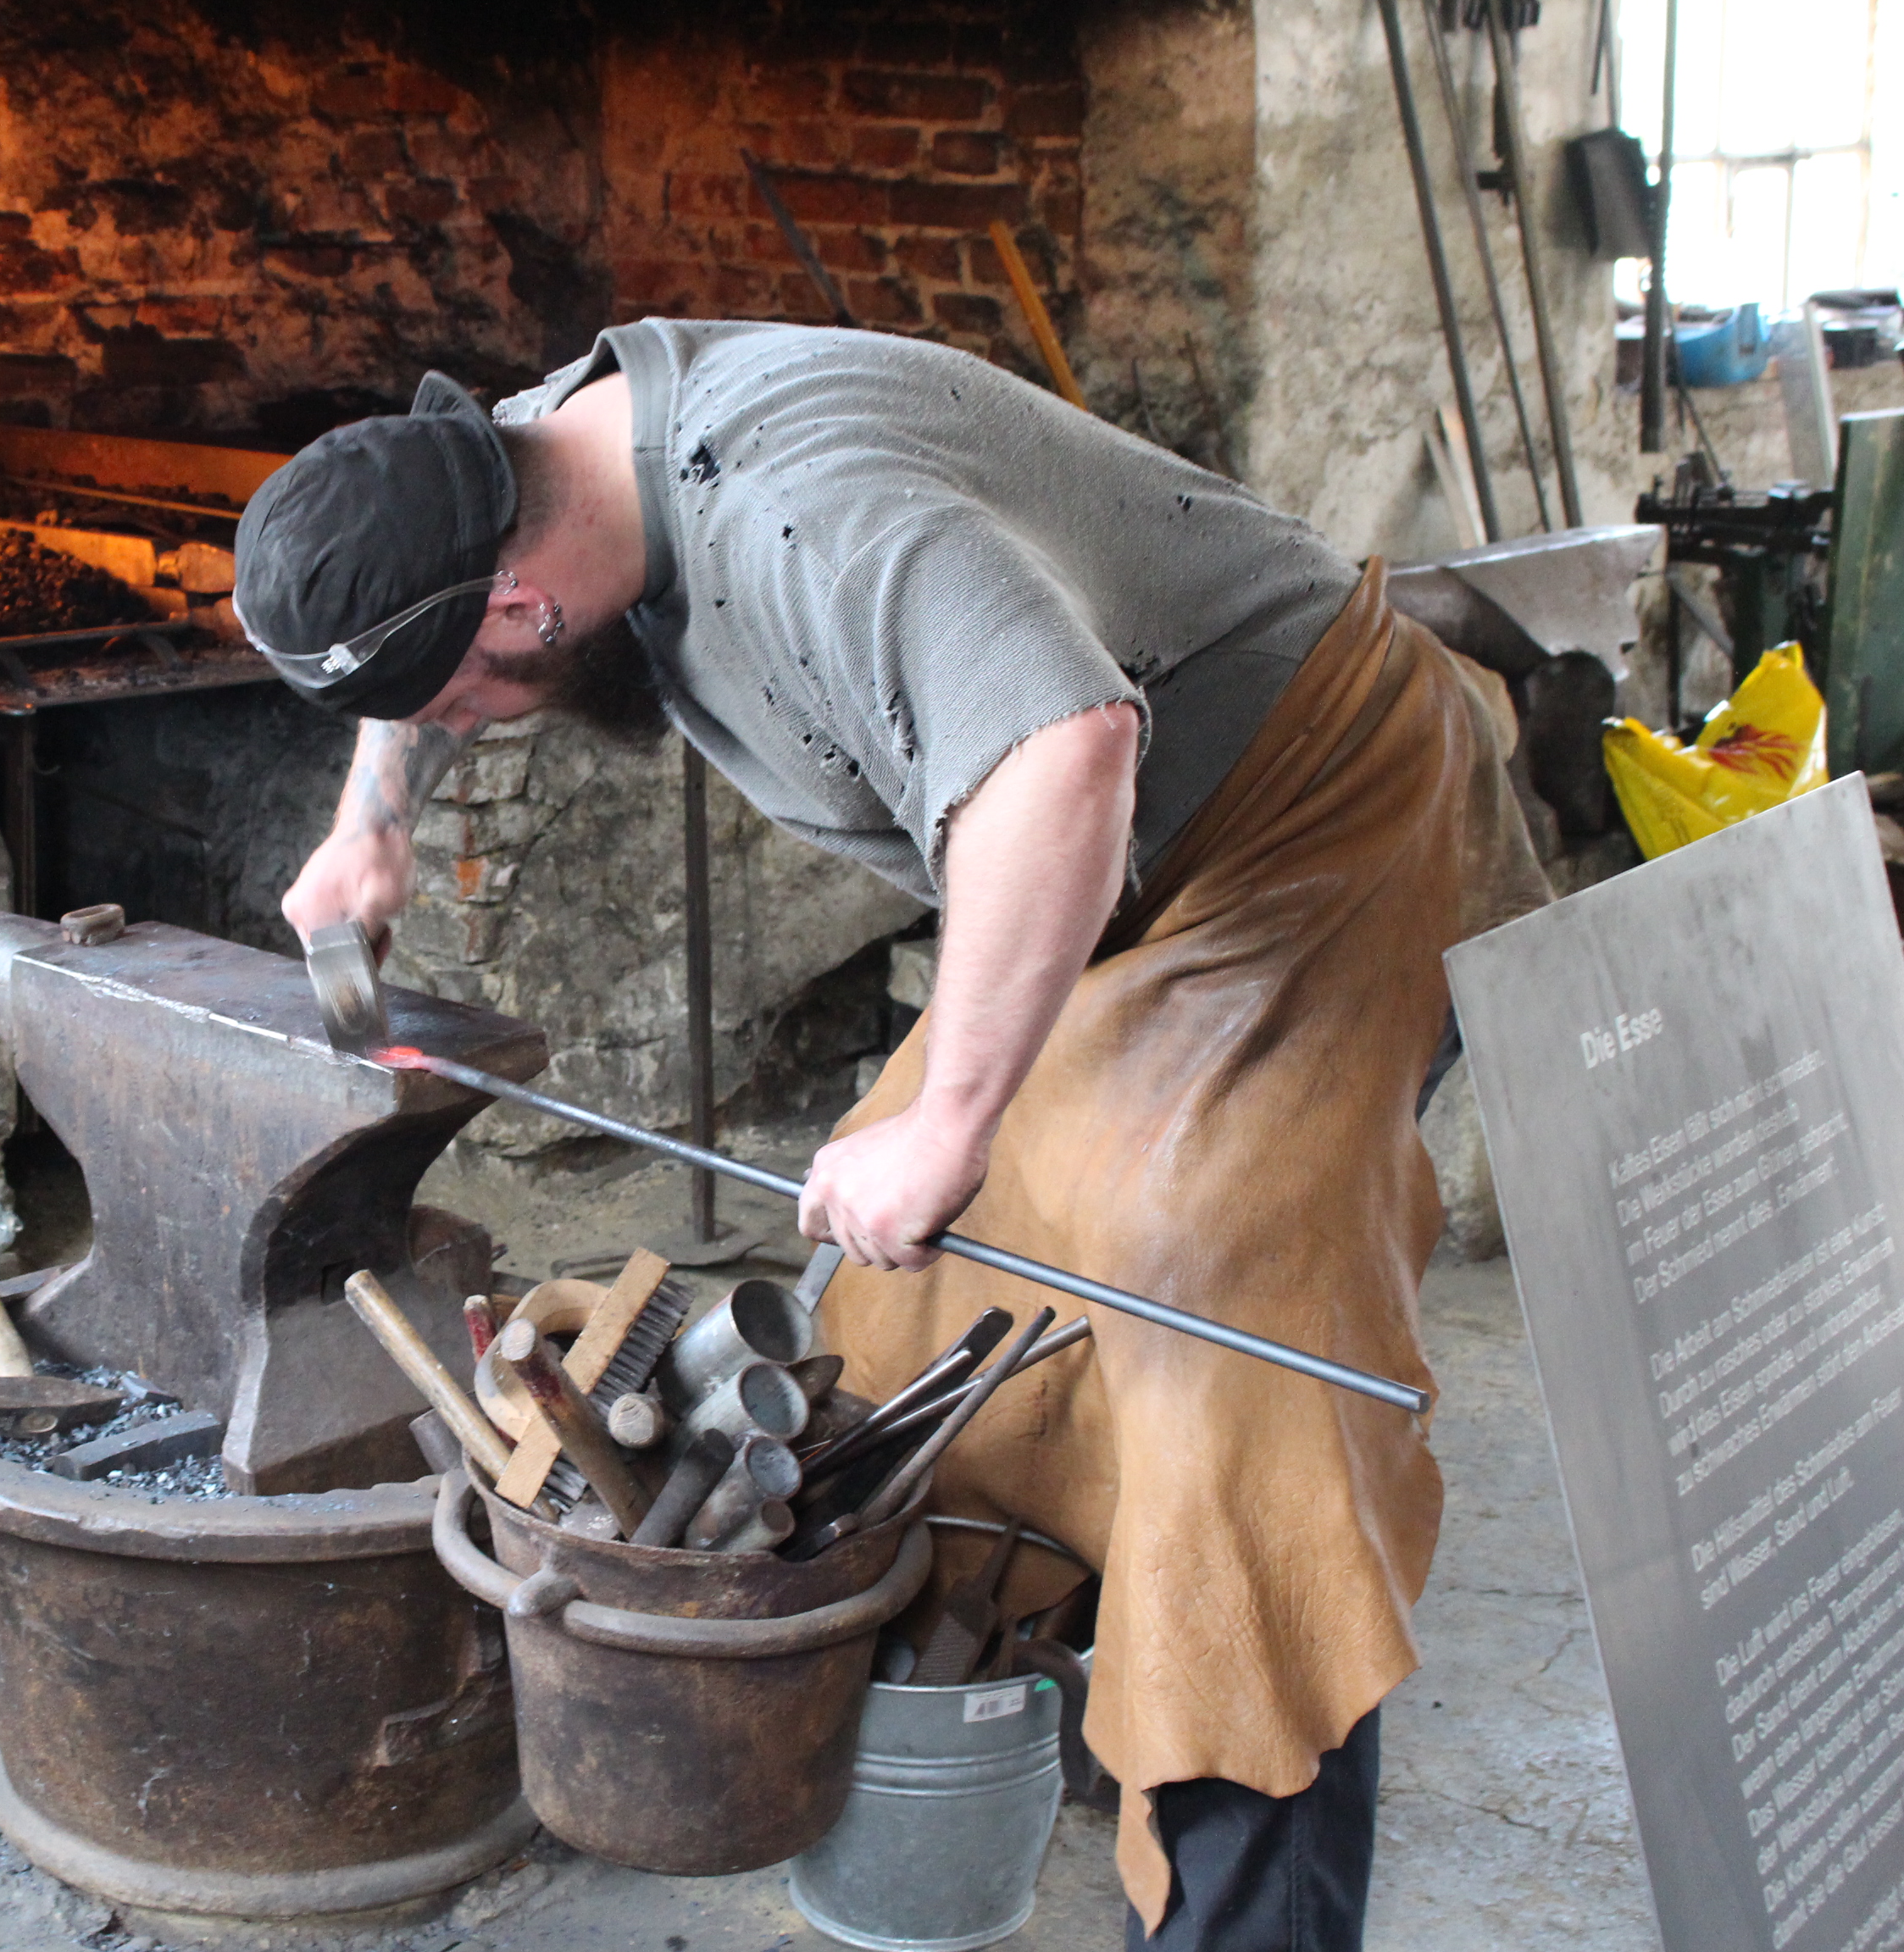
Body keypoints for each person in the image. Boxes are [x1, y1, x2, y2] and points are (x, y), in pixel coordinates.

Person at [230, 319, 1545, 1950]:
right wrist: (369, 828)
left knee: (1224, 1359)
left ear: (521, 602)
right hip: (1112, 860)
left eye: (472, 700)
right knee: (905, 1308)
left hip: (1311, 811)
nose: (479, 726)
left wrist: (954, 1119)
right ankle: (1047, 1703)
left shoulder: (804, 514)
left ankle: (1246, 1877)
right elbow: (413, 608)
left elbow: (1069, 754)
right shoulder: (529, 463)